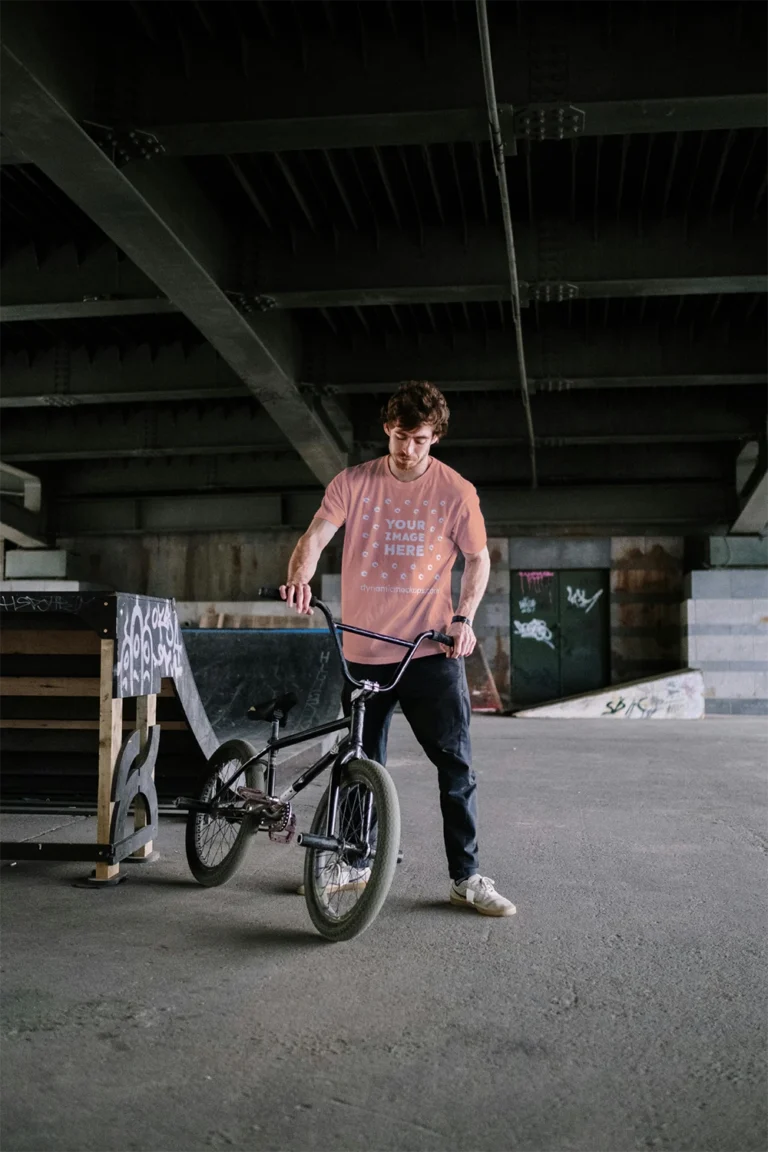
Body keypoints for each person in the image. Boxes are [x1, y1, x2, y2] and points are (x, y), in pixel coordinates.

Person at [280, 380, 515, 918]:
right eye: (401, 436)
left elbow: (478, 561)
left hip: (429, 653)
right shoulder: (353, 483)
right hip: (362, 651)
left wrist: (463, 618)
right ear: (388, 429)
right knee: (360, 763)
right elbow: (315, 536)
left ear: (435, 438)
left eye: (420, 439)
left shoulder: (456, 492)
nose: (408, 450)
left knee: (455, 766)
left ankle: (466, 877)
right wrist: (299, 576)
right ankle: (356, 862)